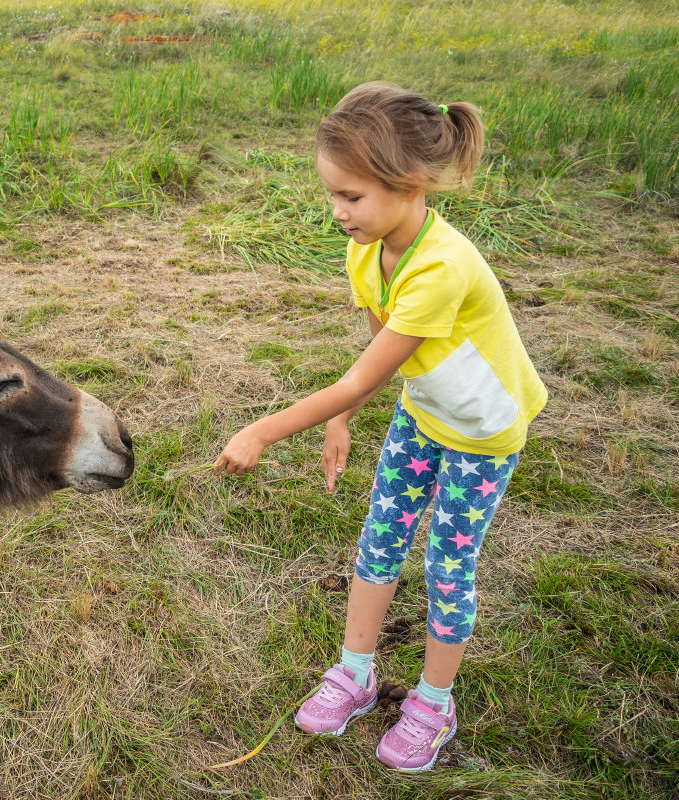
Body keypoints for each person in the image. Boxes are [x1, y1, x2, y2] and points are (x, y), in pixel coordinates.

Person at [214, 81, 547, 772]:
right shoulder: (366, 249)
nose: (337, 212)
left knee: (447, 566)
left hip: (483, 432)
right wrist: (342, 420)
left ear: (412, 182)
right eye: (331, 194)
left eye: (352, 196)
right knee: (381, 536)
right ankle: (356, 672)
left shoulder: (441, 268)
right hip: (425, 411)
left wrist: (264, 431)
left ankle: (433, 701)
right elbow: (377, 354)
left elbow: (358, 376)